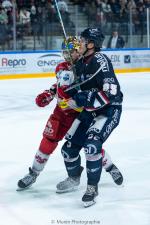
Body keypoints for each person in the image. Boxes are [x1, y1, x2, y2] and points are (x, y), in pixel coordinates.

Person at [17, 36, 123, 191]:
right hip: (60, 114)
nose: (67, 55)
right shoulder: (62, 67)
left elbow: (92, 87)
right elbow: (59, 84)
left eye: (71, 51)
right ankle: (33, 173)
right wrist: (50, 93)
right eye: (65, 51)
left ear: (79, 50)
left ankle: (110, 167)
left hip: (79, 115)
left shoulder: (87, 67)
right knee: (47, 142)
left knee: (89, 145)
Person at [56, 28, 123, 207]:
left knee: (92, 146)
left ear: (91, 44)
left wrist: (81, 100)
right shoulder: (81, 62)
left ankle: (92, 187)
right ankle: (74, 178)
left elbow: (111, 92)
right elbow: (70, 87)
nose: (79, 42)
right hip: (90, 110)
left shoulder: (101, 60)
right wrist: (60, 92)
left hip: (108, 110)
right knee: (68, 150)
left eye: (82, 40)